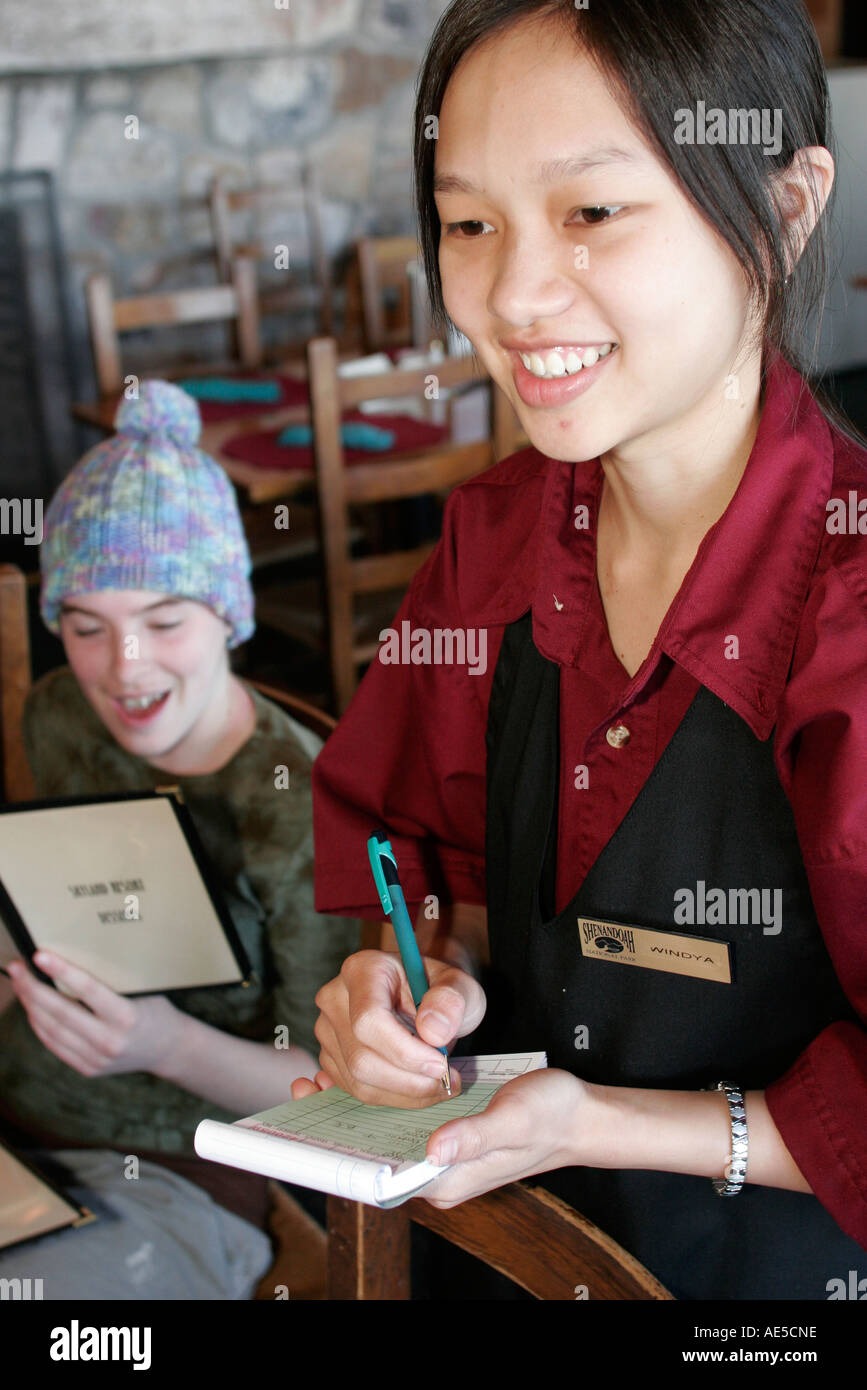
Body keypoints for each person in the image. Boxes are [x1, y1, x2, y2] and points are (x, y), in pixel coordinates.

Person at [302, 0, 867, 1300]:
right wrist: (403, 980)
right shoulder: (493, 537)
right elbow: (414, 857)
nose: (507, 294)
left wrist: (596, 1121)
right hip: (496, 1244)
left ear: (782, 210)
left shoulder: (841, 597)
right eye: (467, 221)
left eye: (590, 212)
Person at [0, 380, 359, 1299]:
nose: (124, 669)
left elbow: (340, 1094)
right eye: (85, 627)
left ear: (228, 618)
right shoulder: (54, 715)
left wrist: (163, 1045)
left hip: (186, 1168)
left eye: (164, 622)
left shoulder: (299, 806)